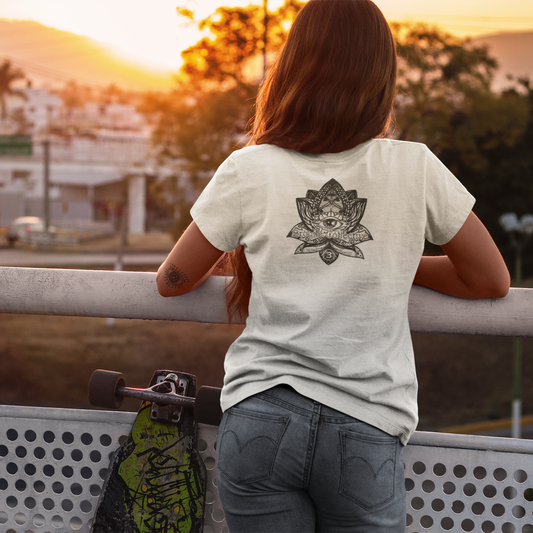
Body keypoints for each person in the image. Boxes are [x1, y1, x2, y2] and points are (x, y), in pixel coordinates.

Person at [156, 0, 510, 531]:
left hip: (258, 420)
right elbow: (490, 280)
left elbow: (172, 280)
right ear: (381, 78)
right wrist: (390, 258)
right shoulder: (415, 166)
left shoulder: (249, 167)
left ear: (292, 70)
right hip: (366, 425)